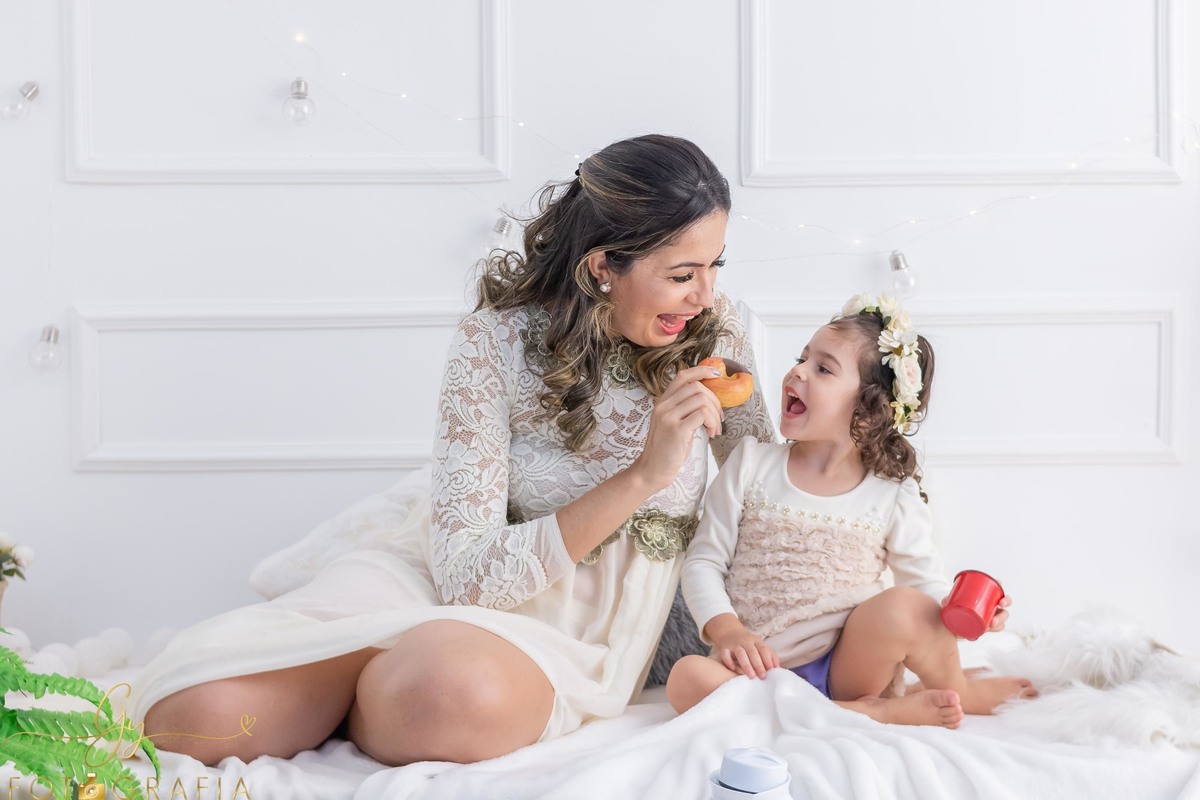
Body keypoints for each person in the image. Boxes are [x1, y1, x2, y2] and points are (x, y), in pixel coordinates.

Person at [133, 134, 777, 766]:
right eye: (682, 275)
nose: (705, 296)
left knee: (442, 695)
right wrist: (643, 475)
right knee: (193, 722)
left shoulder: (716, 334)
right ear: (602, 266)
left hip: (579, 627)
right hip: (455, 570)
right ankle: (364, 667)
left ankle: (381, 688)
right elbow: (467, 577)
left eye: (715, 266)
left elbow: (772, 497)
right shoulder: (493, 341)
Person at [665, 293, 1037, 727]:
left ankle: (959, 687)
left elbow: (925, 588)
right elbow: (704, 561)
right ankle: (866, 715)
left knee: (905, 605)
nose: (798, 371)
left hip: (850, 669)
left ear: (868, 412)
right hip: (756, 669)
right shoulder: (750, 464)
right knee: (685, 679)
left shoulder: (892, 494)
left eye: (822, 368)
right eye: (802, 358)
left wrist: (970, 612)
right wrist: (727, 630)